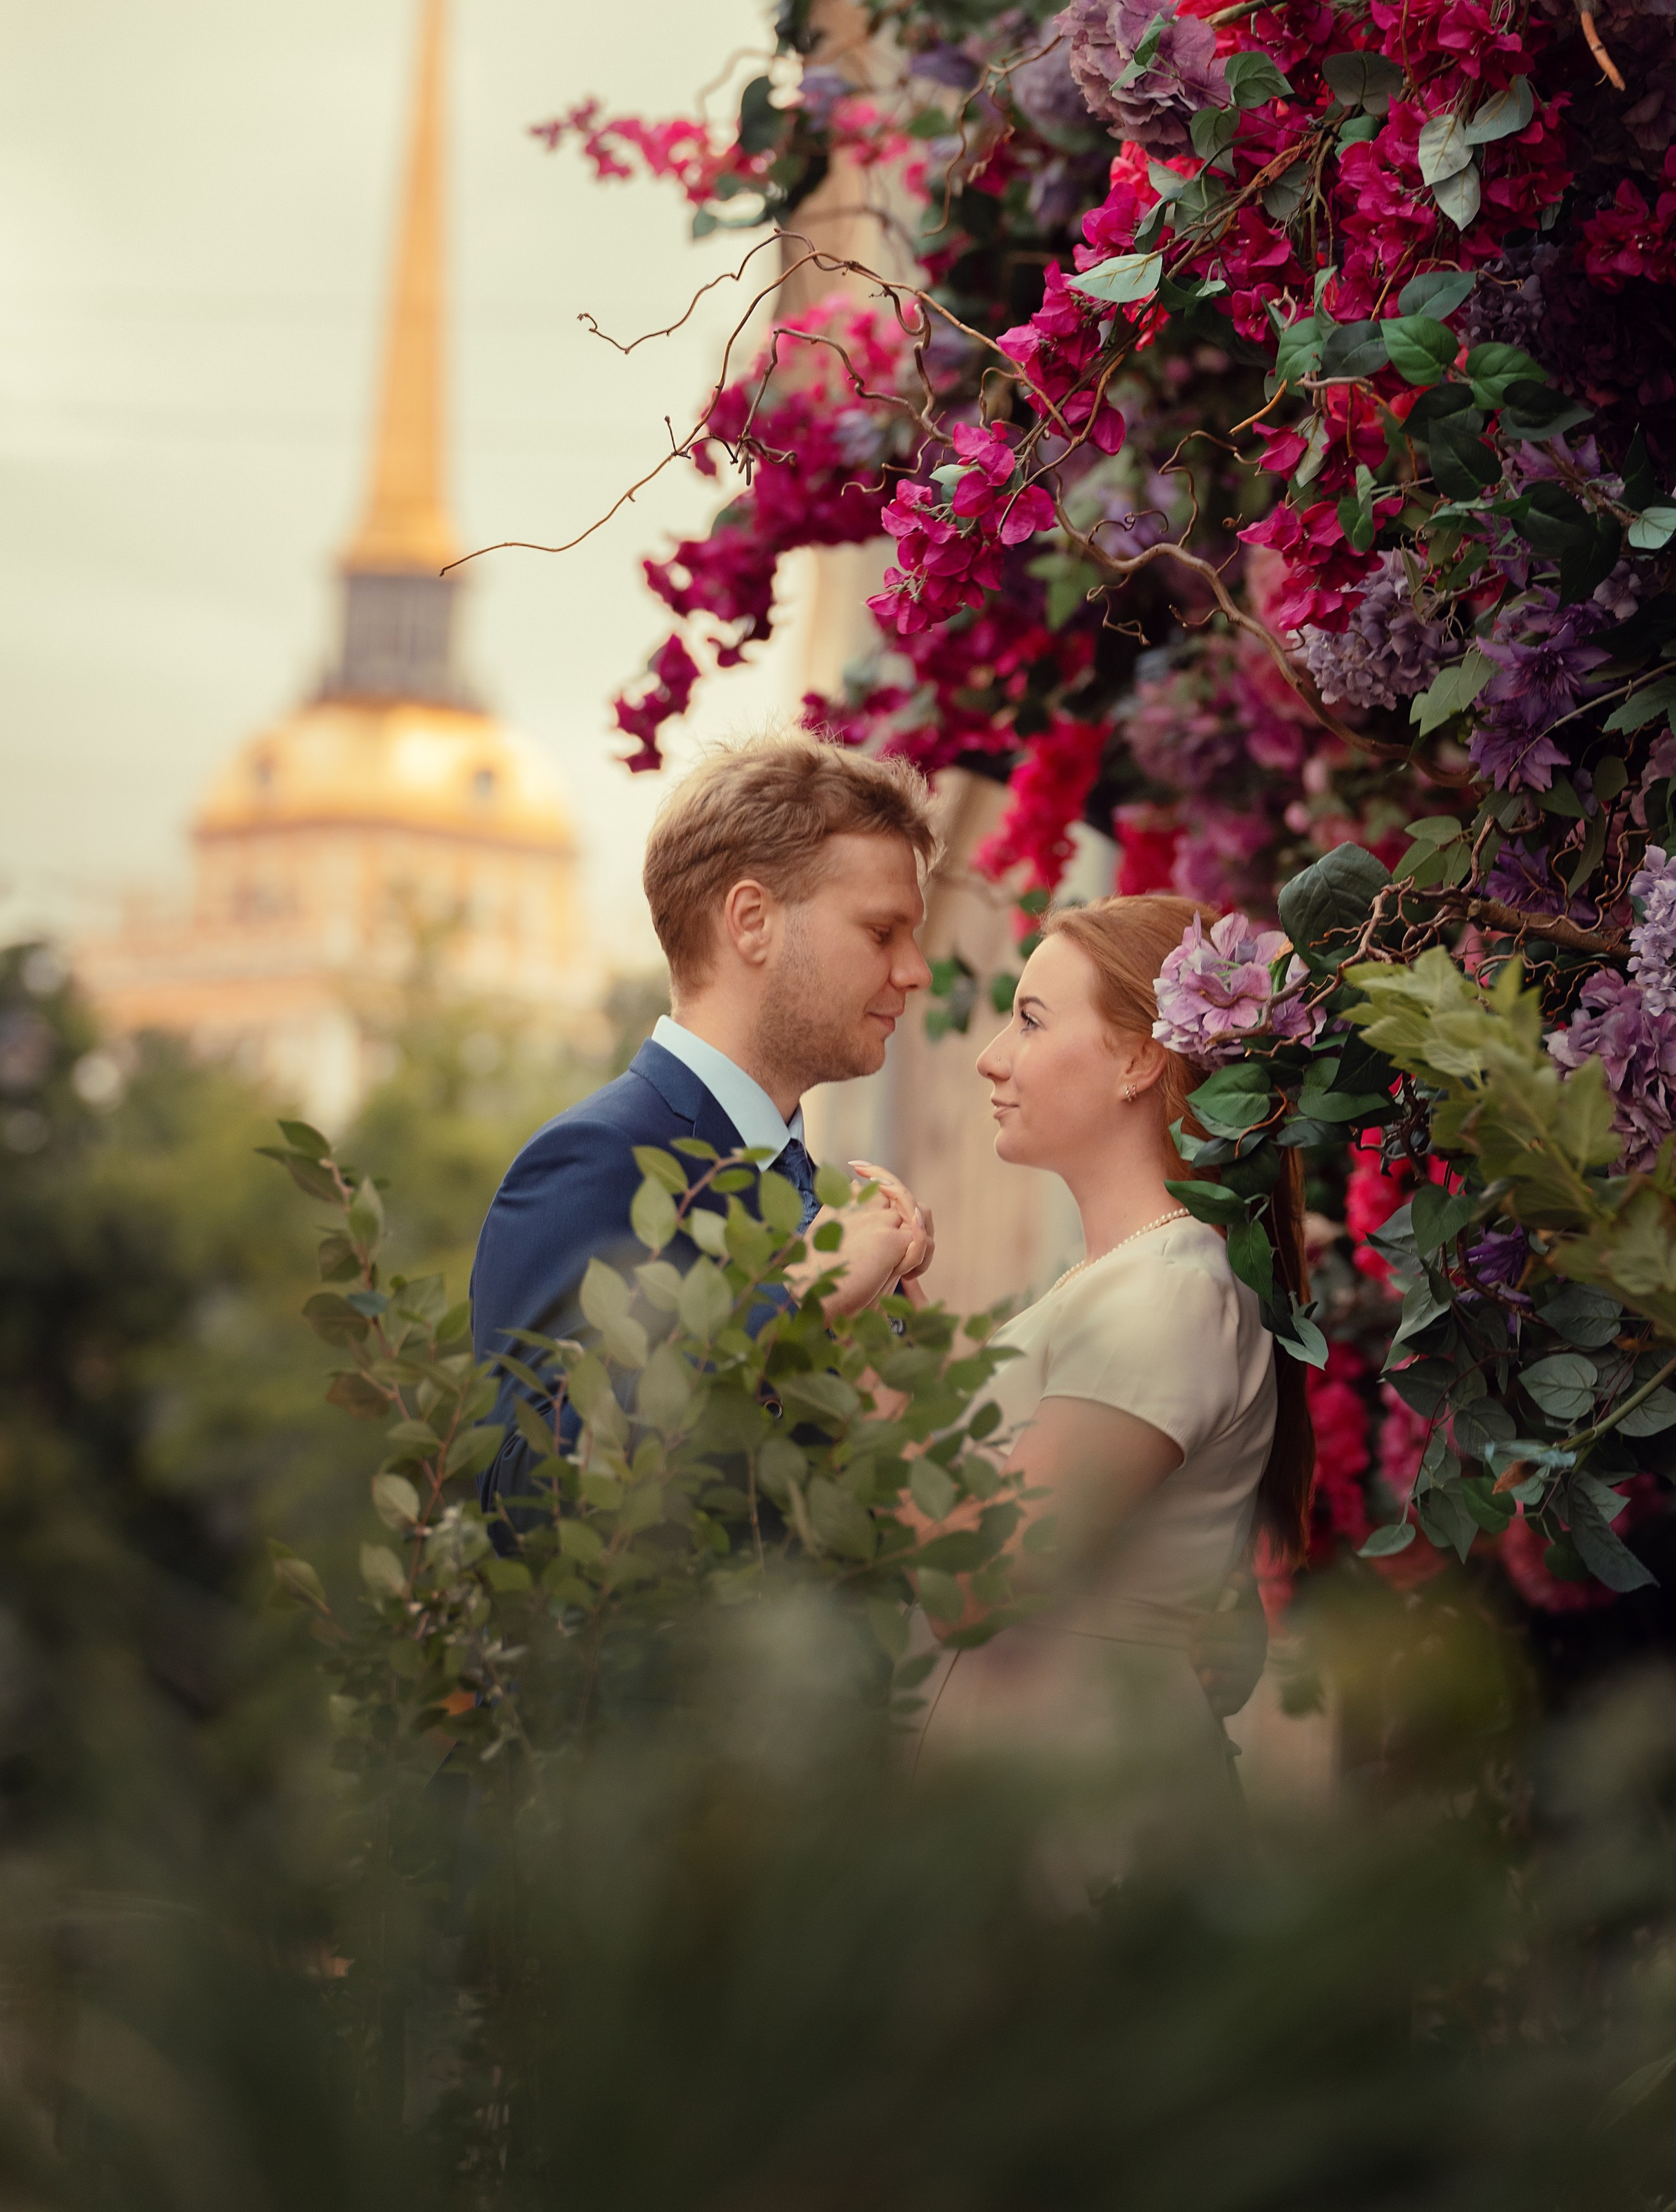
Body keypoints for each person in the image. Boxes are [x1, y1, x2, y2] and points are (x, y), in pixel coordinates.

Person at [471, 734, 940, 1526]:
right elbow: (525, 1497)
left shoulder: (817, 1192)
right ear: (752, 921)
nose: (915, 970)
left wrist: (897, 1337)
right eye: (880, 932)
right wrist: (799, 1296)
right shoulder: (596, 1158)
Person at [909, 892, 1311, 1802]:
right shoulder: (1129, 1279)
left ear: (1138, 1058)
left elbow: (974, 1585)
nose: (990, 1056)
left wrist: (852, 1342)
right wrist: (899, 1321)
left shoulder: (1165, 1291)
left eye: (1029, 1020)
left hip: (1086, 1803)